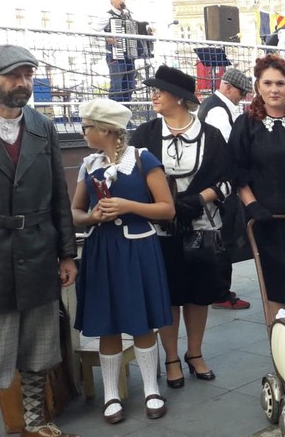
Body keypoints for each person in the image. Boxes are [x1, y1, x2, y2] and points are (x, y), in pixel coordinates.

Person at [0, 44, 79, 437]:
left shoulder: (42, 126)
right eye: (13, 75)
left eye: (27, 75)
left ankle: (35, 424)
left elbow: (59, 197)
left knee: (38, 348)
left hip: (39, 251)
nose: (23, 83)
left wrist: (67, 253)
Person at [130, 66, 234, 390]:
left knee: (199, 295)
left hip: (201, 227)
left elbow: (228, 180)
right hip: (159, 230)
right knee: (169, 294)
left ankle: (195, 353)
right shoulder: (145, 134)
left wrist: (198, 200)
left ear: (178, 97)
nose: (153, 96)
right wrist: (161, 206)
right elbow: (131, 177)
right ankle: (171, 358)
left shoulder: (210, 135)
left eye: (159, 91)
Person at [71, 99, 174, 423]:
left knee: (142, 321)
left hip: (137, 248)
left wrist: (128, 206)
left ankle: (151, 389)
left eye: (87, 127)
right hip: (102, 249)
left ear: (105, 129)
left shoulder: (143, 159)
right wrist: (92, 217)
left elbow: (166, 208)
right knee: (107, 322)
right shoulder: (89, 165)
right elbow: (75, 213)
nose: (83, 132)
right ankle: (111, 394)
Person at [229, 54, 285, 324]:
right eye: (267, 83)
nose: (274, 89)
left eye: (280, 83)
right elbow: (236, 170)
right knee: (275, 296)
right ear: (258, 86)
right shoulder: (246, 124)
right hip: (266, 224)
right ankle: (280, 348)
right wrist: (252, 205)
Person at [197, 67, 253, 310]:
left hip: (214, 184)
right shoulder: (219, 111)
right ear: (228, 87)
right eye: (241, 92)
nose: (242, 97)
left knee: (221, 238)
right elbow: (230, 147)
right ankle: (220, 293)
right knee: (224, 239)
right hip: (220, 186)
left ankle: (217, 290)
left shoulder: (213, 106)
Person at [93, 0, 142, 102]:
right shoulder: (107, 16)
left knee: (130, 86)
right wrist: (106, 38)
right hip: (115, 56)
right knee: (117, 87)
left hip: (129, 56)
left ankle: (125, 110)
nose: (122, 1)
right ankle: (113, 111)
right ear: (112, 0)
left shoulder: (128, 15)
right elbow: (92, 31)